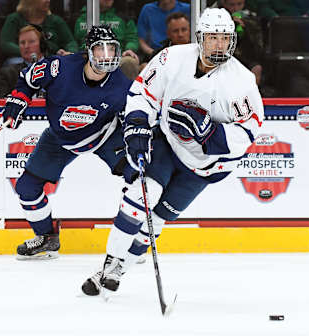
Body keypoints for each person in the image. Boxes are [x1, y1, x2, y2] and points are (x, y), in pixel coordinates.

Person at [81, 8, 264, 296]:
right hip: (168, 144)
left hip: (207, 166)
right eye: (212, 37)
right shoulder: (172, 58)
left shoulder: (241, 82)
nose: (218, 44)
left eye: (224, 38)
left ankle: (122, 268)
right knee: (142, 196)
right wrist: (139, 124)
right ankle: (110, 263)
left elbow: (248, 132)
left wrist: (209, 133)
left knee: (158, 219)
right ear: (200, 38)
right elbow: (143, 93)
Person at [2, 24, 136, 259]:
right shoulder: (58, 67)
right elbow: (28, 79)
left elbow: (135, 116)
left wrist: (134, 135)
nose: (107, 56)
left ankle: (131, 240)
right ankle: (46, 237)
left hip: (104, 135)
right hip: (60, 138)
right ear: (88, 51)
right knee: (26, 188)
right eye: (100, 49)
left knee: (136, 177)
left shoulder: (122, 87)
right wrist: (19, 100)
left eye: (111, 49)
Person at [73, 0, 140, 80]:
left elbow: (132, 38)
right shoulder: (79, 18)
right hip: (86, 56)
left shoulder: (123, 18)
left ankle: (128, 92)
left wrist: (129, 49)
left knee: (129, 61)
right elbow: (71, 41)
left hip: (117, 57)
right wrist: (73, 51)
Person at [0, 0, 78, 65]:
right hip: (22, 59)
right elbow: (6, 44)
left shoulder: (56, 20)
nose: (48, 0)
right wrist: (31, 52)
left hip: (52, 59)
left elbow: (70, 42)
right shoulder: (14, 19)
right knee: (16, 63)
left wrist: (69, 52)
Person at [220, 0, 264, 85]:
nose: (236, 8)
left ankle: (251, 95)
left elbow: (258, 47)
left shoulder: (251, 18)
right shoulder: (217, 17)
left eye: (239, 4)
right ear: (224, 3)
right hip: (225, 57)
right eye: (232, 5)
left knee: (257, 68)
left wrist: (246, 27)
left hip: (245, 57)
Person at [0, 25, 45, 97]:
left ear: (42, 44)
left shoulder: (56, 69)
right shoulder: (8, 73)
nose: (26, 46)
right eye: (22, 43)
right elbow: (2, 102)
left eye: (31, 42)